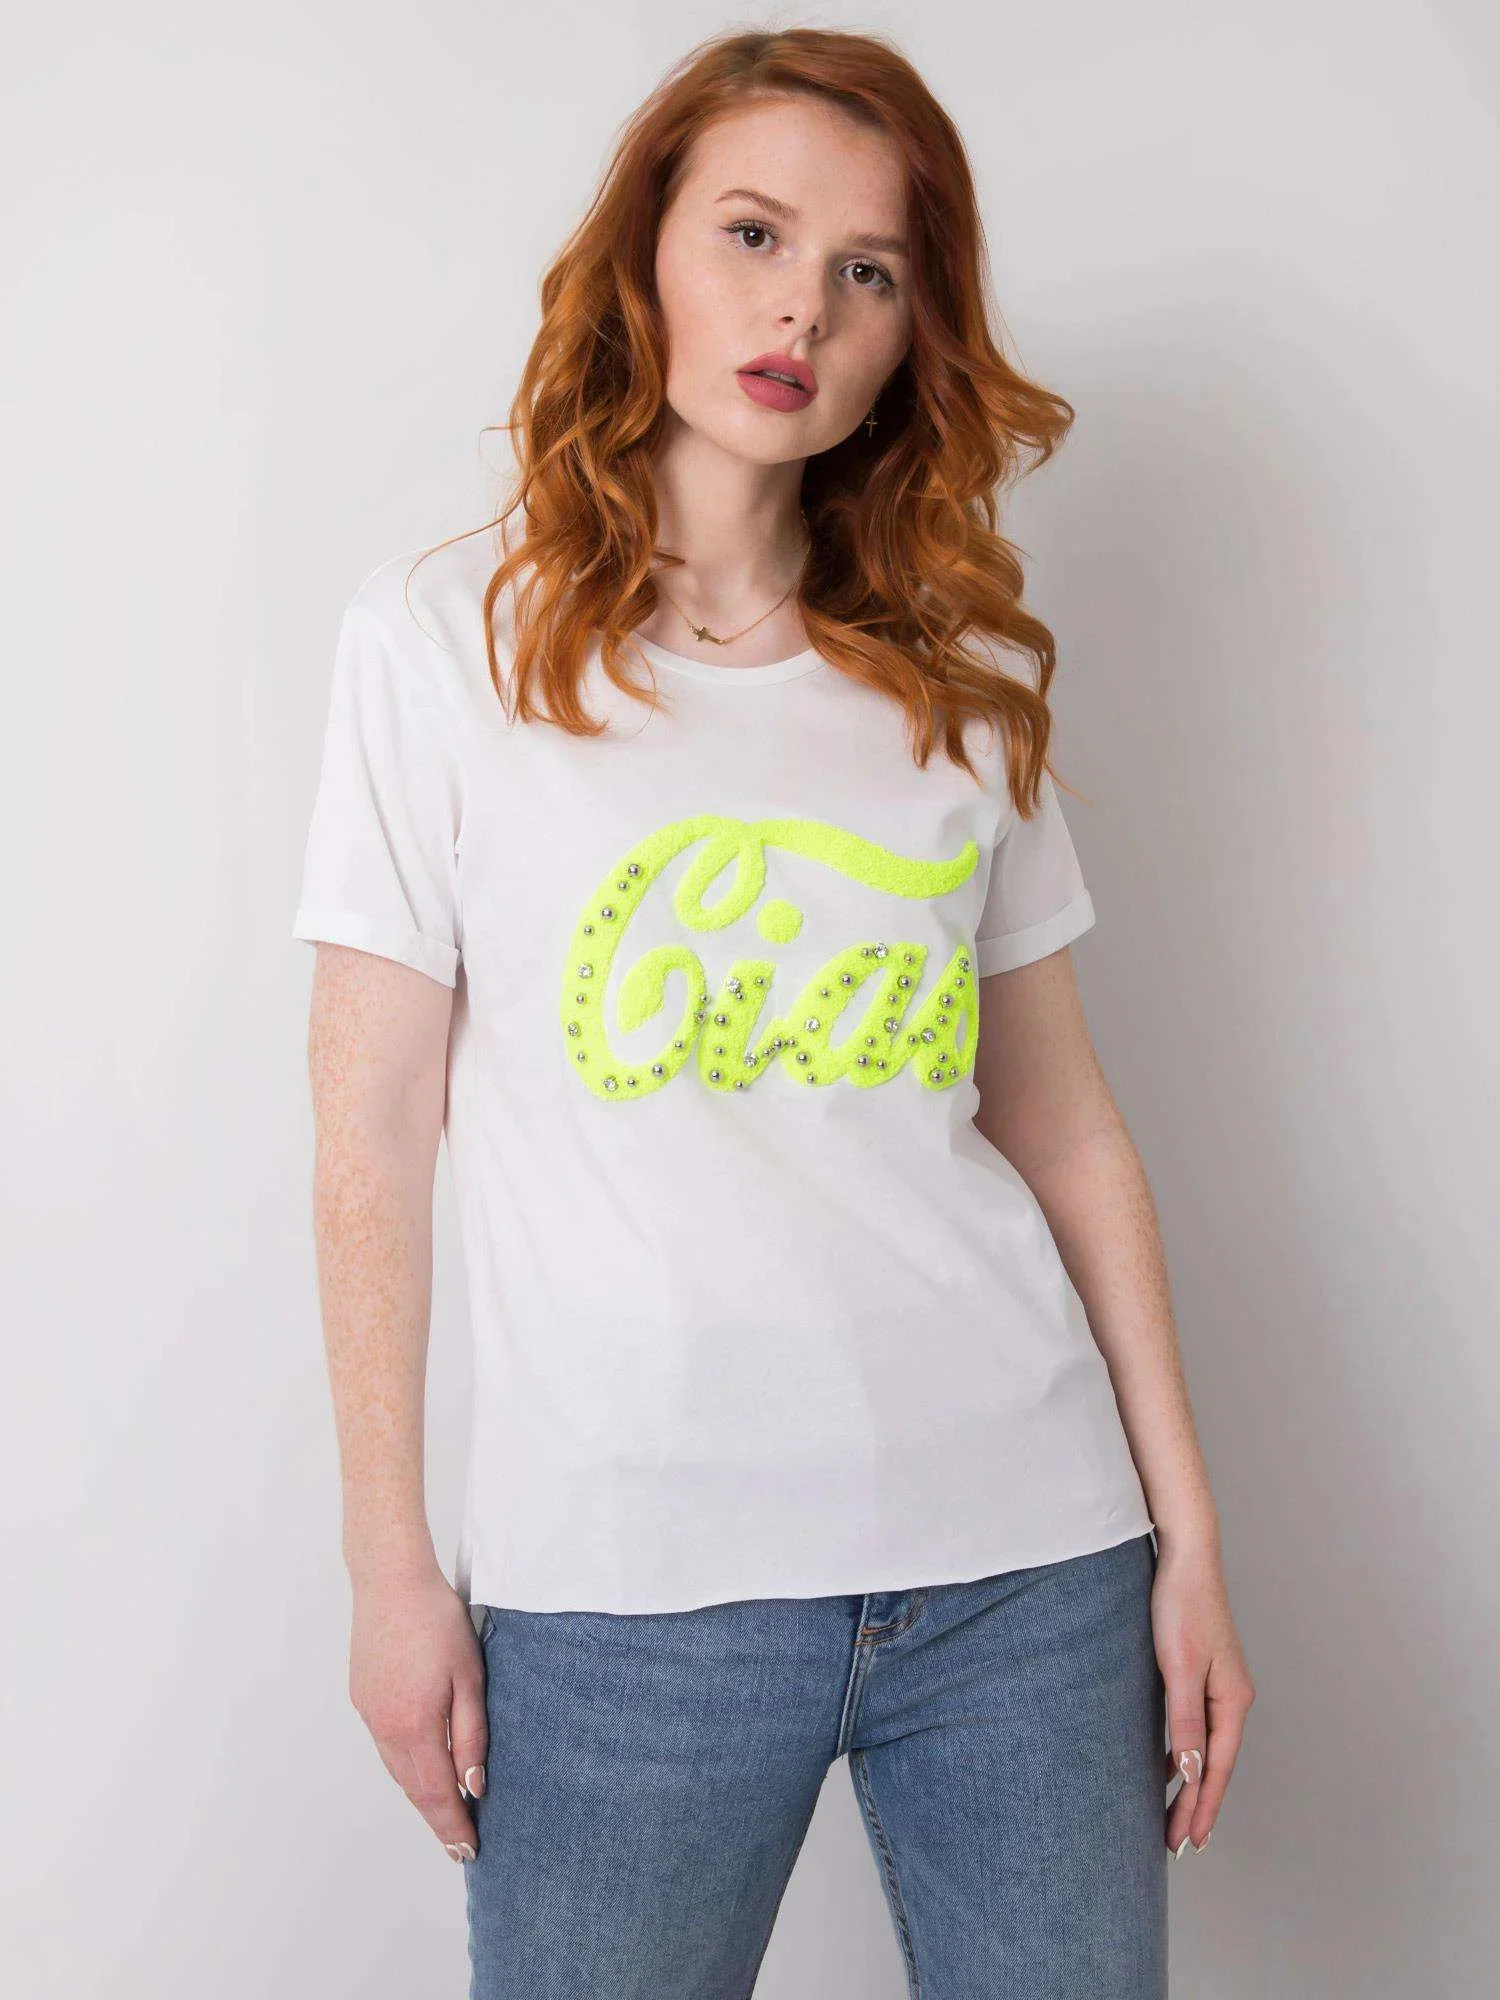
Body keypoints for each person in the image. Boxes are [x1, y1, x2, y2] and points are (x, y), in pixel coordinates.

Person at [291, 25, 1254, 1998]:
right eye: (753, 234)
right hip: (624, 1588)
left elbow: (1065, 1126)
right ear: (643, 254)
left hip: (1026, 1567)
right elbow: (370, 1125)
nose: (802, 306)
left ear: (910, 338)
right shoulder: (443, 645)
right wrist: (388, 1564)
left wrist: (1190, 1537)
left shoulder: (960, 681)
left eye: (867, 270)